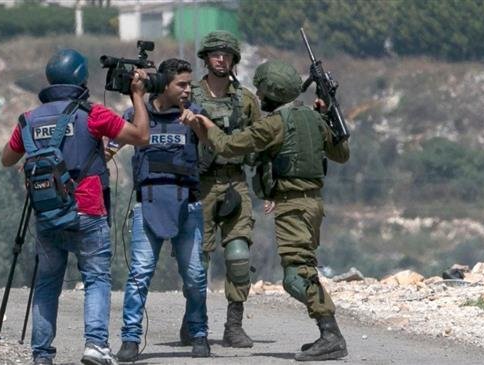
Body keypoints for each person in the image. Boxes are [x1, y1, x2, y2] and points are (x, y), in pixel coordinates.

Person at [186, 60, 350, 361]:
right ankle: (328, 333)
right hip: (313, 205)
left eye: (261, 90)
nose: (258, 95)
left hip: (293, 206)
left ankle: (331, 335)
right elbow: (342, 153)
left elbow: (227, 146)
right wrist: (329, 113)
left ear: (272, 92)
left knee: (296, 276)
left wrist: (206, 127)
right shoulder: (313, 119)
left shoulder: (274, 124)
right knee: (302, 267)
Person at [1, 48, 151, 365]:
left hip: (48, 213)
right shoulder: (93, 114)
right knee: (96, 278)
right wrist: (137, 95)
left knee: (46, 283)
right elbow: (140, 135)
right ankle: (95, 345)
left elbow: (7, 159)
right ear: (81, 79)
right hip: (88, 210)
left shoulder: (28, 120)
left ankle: (41, 354)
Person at [114, 58, 210, 362]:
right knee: (140, 274)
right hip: (150, 202)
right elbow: (111, 143)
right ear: (164, 85)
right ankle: (130, 338)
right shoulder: (137, 115)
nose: (186, 90)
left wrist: (198, 124)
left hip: (187, 204)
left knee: (195, 276)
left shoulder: (194, 114)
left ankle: (198, 333)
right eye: (180, 84)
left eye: (189, 85)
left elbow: (212, 140)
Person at [190, 30, 261, 348]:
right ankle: (194, 322)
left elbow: (260, 144)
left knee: (238, 255)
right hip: (200, 184)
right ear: (206, 58)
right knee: (197, 260)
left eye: (227, 54)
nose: (221, 59)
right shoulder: (189, 95)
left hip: (235, 180)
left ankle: (234, 325)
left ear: (234, 59)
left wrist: (268, 188)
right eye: (216, 54)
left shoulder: (245, 100)